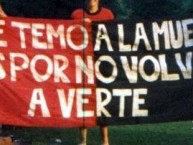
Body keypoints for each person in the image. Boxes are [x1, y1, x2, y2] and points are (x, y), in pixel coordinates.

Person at [71, 0, 114, 145]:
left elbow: (114, 36)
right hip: (82, 64)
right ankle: (83, 141)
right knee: (83, 101)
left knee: (103, 100)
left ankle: (105, 141)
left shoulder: (107, 14)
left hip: (102, 64)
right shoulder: (77, 14)